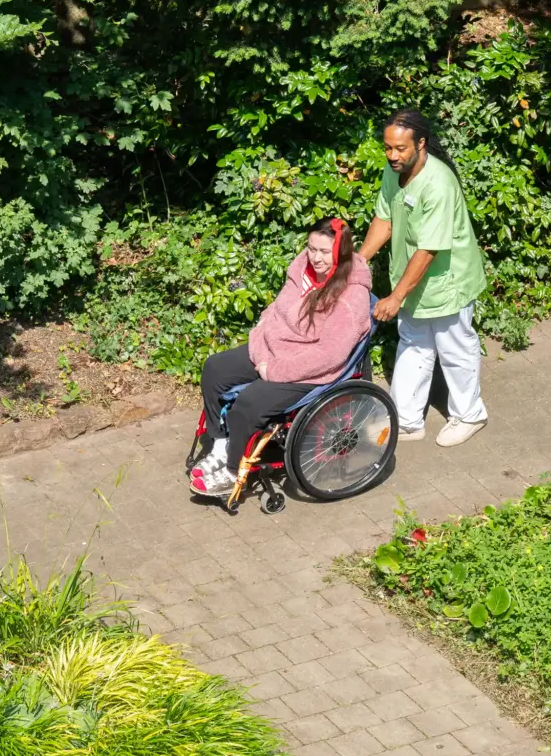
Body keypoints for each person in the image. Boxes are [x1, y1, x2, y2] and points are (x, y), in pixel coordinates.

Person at [191, 216, 375, 497]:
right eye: (312, 248)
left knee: (248, 403)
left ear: (341, 252)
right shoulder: (302, 268)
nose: (315, 257)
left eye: (324, 251)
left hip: (308, 368)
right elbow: (276, 309)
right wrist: (262, 345)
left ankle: (231, 470)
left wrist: (275, 369)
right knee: (215, 369)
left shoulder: (351, 297)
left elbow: (329, 355)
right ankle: (220, 443)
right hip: (272, 348)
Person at [356, 107, 488, 446]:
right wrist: (358, 262)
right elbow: (384, 219)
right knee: (414, 344)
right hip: (413, 282)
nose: (392, 155)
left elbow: (428, 251)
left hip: (448, 283)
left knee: (454, 348)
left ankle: (470, 414)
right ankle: (408, 421)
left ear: (421, 143)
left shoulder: (439, 184)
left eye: (400, 149)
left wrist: (396, 295)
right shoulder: (394, 171)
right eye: (387, 148)